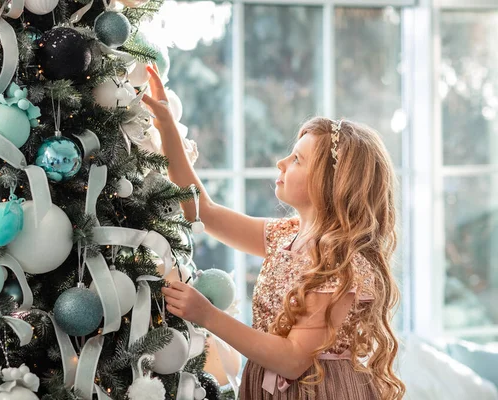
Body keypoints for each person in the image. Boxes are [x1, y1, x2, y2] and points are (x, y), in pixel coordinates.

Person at [142, 65, 405, 399]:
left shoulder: (343, 264)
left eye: (297, 159)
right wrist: (167, 128)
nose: (281, 162)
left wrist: (207, 315)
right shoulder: (285, 236)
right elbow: (201, 211)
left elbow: (294, 361)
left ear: (331, 184)